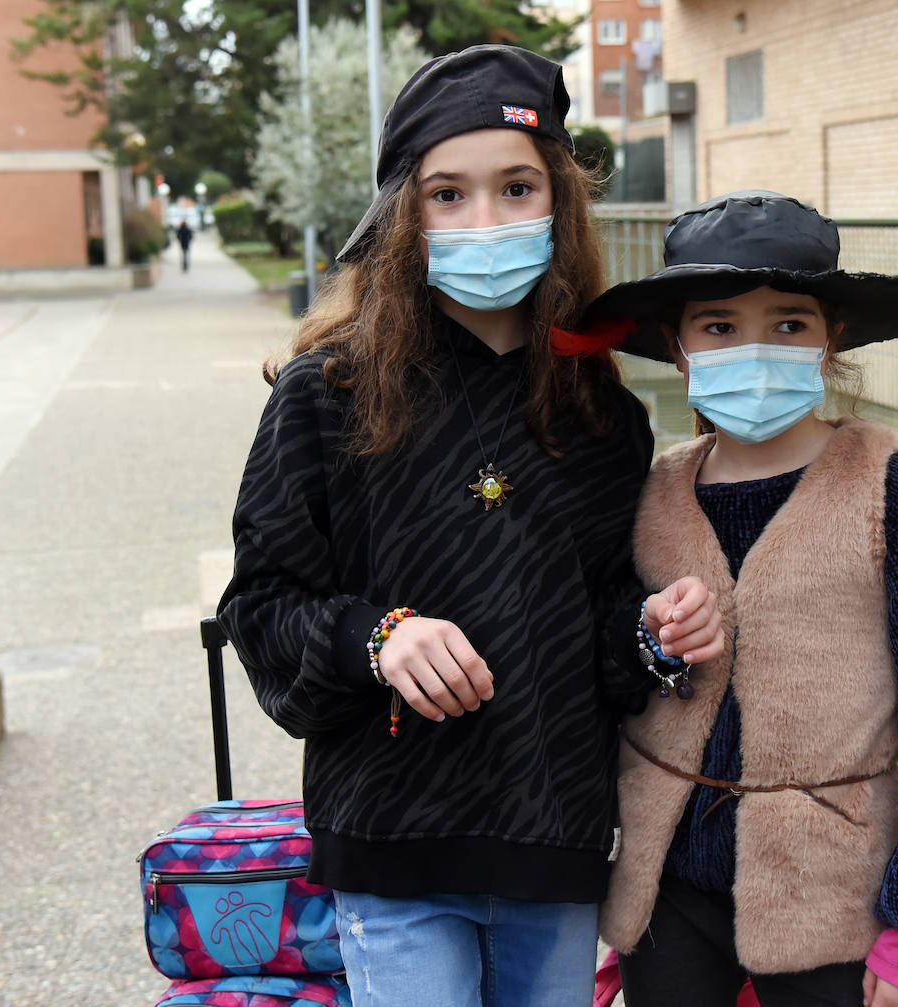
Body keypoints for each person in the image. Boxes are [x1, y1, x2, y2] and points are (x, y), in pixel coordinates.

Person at [217, 45, 722, 1007]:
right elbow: (263, 605)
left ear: (559, 205)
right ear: (405, 213)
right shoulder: (329, 396)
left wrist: (652, 635)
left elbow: (602, 622)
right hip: (393, 843)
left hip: (557, 843)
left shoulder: (602, 417)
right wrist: (380, 637)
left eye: (516, 187)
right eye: (448, 194)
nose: (483, 220)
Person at [569, 191, 898, 1007]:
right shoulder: (656, 491)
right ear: (680, 345)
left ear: (830, 339)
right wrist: (650, 639)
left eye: (790, 324)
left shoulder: (891, 490)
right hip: (668, 901)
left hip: (830, 901)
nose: (756, 348)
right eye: (721, 325)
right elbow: (608, 666)